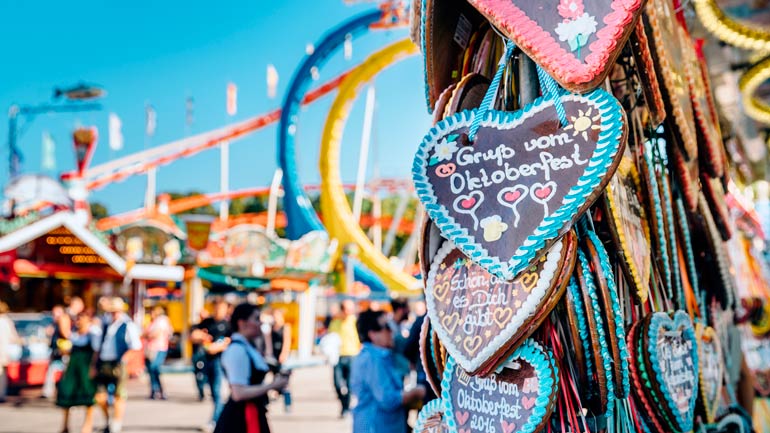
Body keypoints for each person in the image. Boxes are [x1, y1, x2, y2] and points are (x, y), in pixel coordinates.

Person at [214, 303, 289, 433]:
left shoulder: (247, 346)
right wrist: (272, 385)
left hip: (251, 412)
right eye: (256, 319)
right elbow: (239, 393)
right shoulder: (237, 350)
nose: (260, 324)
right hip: (242, 417)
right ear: (242, 323)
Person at [350, 310, 426, 433]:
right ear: (372, 334)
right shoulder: (373, 359)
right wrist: (416, 393)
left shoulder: (376, 356)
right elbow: (387, 399)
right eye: (386, 327)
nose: (391, 331)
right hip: (376, 426)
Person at [94, 297, 142, 433]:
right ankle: (108, 420)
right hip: (104, 362)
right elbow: (99, 346)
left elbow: (136, 346)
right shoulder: (105, 324)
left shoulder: (127, 325)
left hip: (118, 363)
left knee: (118, 395)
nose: (114, 314)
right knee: (100, 396)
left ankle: (116, 423)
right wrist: (94, 364)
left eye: (116, 311)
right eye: (112, 311)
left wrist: (124, 359)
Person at [56, 311, 101, 433]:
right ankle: (65, 425)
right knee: (67, 393)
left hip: (86, 368)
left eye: (81, 318)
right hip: (73, 368)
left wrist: (93, 367)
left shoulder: (93, 333)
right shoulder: (74, 335)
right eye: (77, 318)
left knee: (88, 395)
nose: (78, 321)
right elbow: (69, 352)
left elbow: (96, 352)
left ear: (88, 320)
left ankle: (88, 425)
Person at [191, 300, 231, 431]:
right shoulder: (207, 322)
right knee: (209, 388)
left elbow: (230, 341)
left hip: (220, 361)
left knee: (217, 391)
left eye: (222, 308)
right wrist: (201, 337)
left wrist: (218, 347)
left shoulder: (227, 325)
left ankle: (215, 420)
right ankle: (220, 419)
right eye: (217, 308)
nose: (219, 311)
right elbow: (193, 334)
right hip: (206, 359)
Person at [327, 299, 360, 417]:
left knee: (351, 384)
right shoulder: (335, 322)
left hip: (352, 355)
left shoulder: (354, 321)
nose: (350, 312)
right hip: (338, 357)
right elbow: (330, 339)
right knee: (337, 383)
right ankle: (343, 403)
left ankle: (346, 407)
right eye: (347, 310)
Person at [143, 305, 172, 400]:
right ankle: (154, 390)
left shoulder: (162, 320)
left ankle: (159, 390)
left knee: (154, 368)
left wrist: (147, 335)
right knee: (151, 370)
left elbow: (155, 334)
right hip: (150, 349)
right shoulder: (152, 322)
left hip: (159, 348)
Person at [269, 308, 292, 412]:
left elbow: (287, 342)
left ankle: (287, 403)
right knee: (275, 379)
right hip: (274, 356)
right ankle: (275, 395)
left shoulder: (285, 327)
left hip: (283, 356)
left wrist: (284, 354)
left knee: (285, 381)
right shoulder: (271, 327)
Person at [0, 301, 19, 403]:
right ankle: (1, 394)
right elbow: (13, 337)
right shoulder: (7, 321)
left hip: (2, 351)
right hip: (3, 351)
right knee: (2, 375)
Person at [192, 309, 210, 401]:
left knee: (207, 374)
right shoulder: (195, 326)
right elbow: (193, 336)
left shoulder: (211, 326)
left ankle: (207, 389)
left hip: (208, 355)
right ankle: (201, 391)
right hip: (197, 354)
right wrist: (204, 336)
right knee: (198, 374)